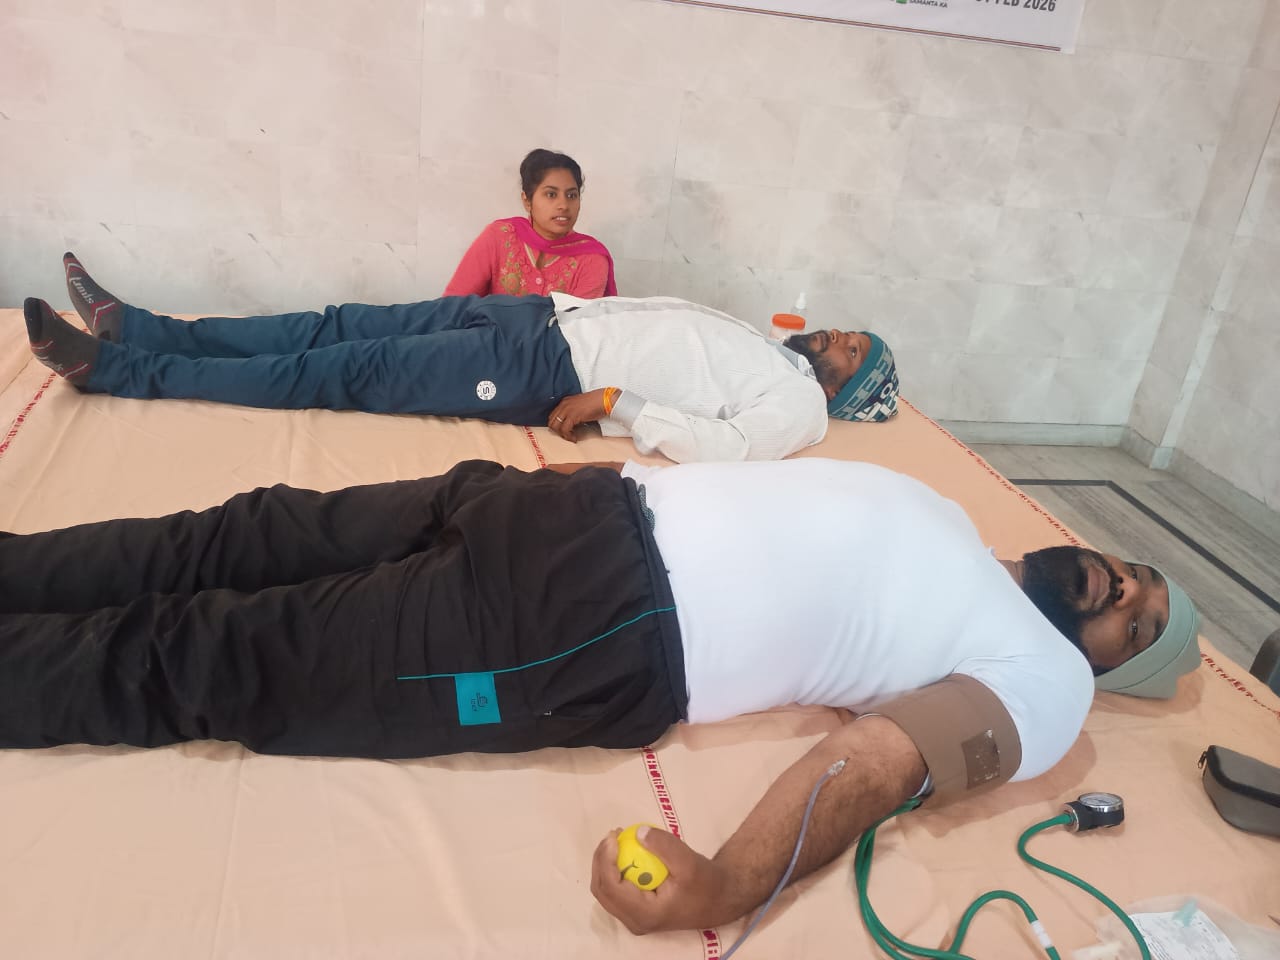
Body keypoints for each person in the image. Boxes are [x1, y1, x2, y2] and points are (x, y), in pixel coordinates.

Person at [0, 456, 1201, 935]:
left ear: (1111, 669)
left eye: (1137, 626)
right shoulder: (947, 519)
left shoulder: (1047, 683)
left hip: (590, 628)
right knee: (233, 534)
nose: (1123, 591)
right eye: (1137, 574)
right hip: (562, 502)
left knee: (213, 653)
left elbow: (882, 759)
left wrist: (726, 884)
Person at [26, 257, 900, 463]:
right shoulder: (772, 349)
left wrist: (617, 404)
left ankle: (119, 370)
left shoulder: (802, 410)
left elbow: (728, 450)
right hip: (536, 317)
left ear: (851, 388)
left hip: (545, 372)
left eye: (853, 350)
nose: (838, 336)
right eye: (849, 331)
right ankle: (139, 328)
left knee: (337, 371)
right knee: (336, 325)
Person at [444, 148, 617, 299]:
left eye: (572, 195)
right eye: (551, 194)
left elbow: (578, 325)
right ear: (527, 201)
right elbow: (452, 306)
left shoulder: (591, 258)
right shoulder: (500, 236)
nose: (564, 205)